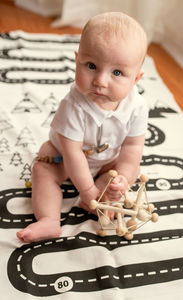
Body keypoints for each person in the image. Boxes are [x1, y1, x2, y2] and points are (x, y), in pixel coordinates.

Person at [17, 11, 148, 243]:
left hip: (108, 159)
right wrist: (87, 191)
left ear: (136, 79)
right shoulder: (73, 104)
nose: (100, 81)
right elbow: (72, 152)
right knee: (42, 169)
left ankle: (104, 196)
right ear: (77, 59)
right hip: (63, 157)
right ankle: (49, 219)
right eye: (91, 65)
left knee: (126, 171)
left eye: (117, 72)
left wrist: (124, 179)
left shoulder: (137, 106)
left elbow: (133, 147)